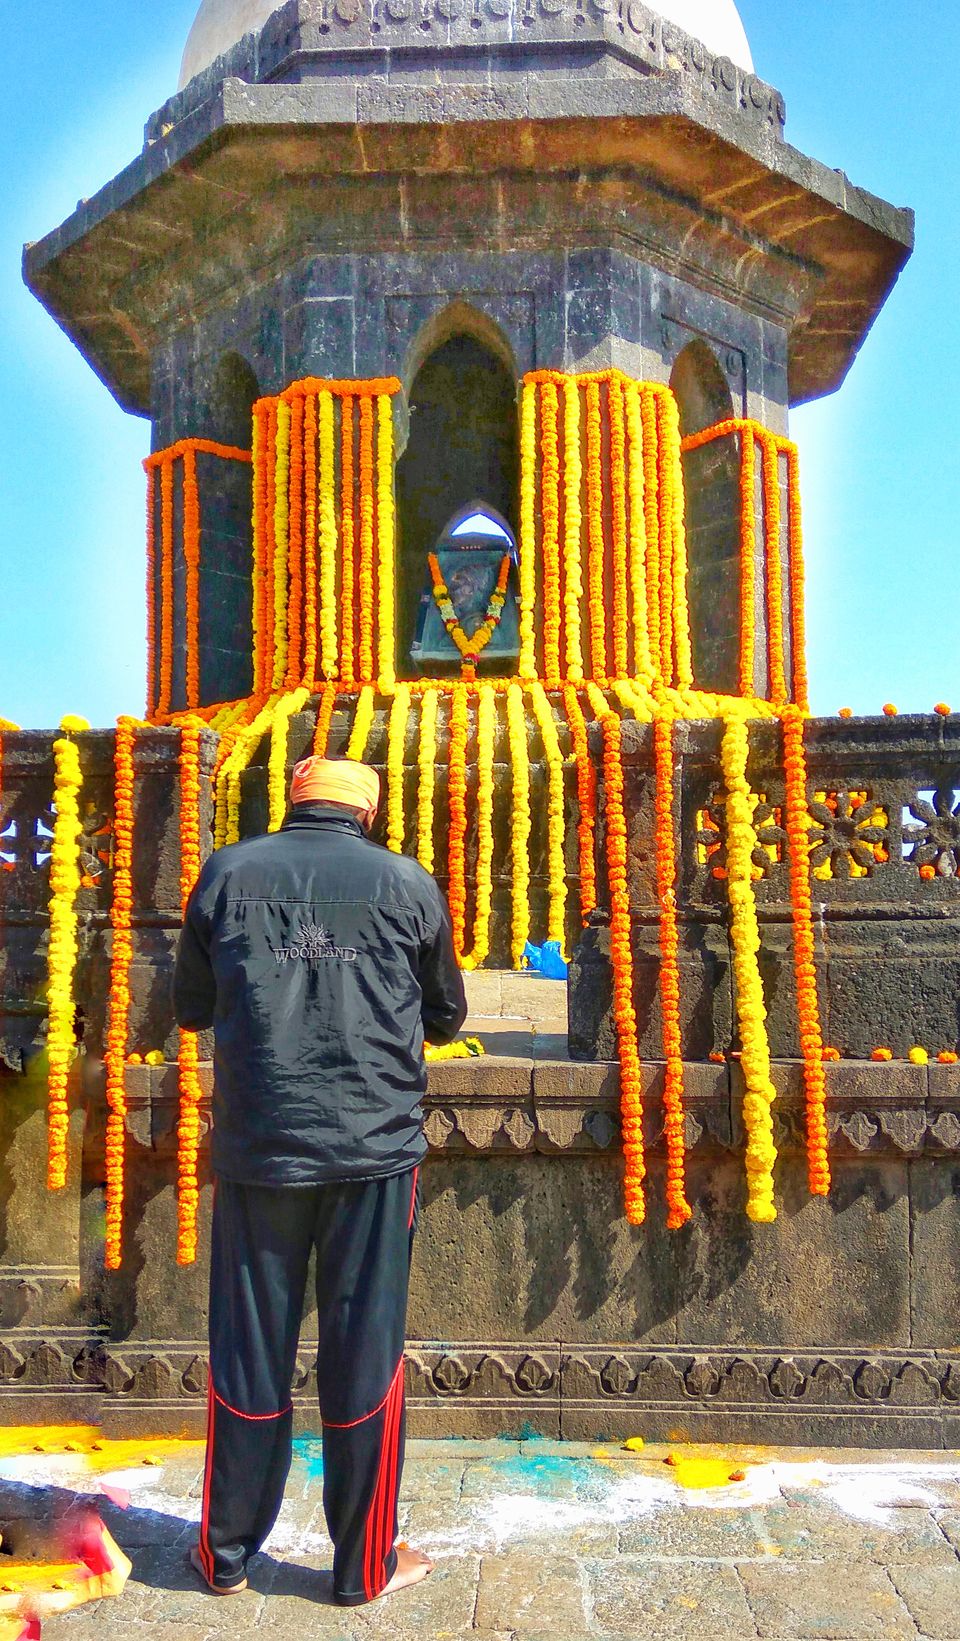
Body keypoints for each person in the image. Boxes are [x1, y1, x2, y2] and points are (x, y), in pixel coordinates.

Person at [172, 754, 467, 1605]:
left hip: (262, 1147)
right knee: (364, 1354)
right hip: (373, 1150)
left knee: (249, 1346)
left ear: (293, 801)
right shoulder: (406, 883)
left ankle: (225, 1553)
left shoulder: (228, 872)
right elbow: (446, 1012)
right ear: (366, 812)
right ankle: (362, 1565)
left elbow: (193, 1006)